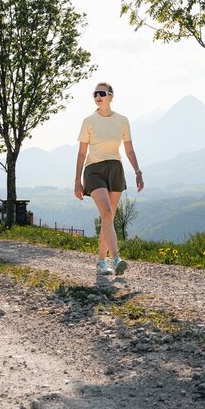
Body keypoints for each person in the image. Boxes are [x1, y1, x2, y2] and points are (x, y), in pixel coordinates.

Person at [74, 81, 143, 276]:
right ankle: (116, 259)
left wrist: (138, 172)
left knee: (108, 218)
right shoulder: (88, 121)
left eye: (102, 93)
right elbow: (81, 153)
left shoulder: (122, 120)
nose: (98, 96)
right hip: (93, 170)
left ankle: (100, 262)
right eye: (95, 94)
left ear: (111, 96)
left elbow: (129, 150)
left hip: (115, 169)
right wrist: (77, 181)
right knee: (106, 212)